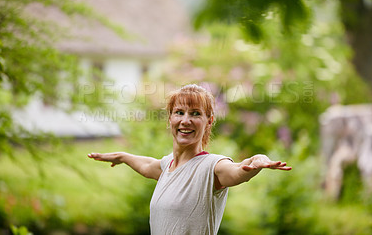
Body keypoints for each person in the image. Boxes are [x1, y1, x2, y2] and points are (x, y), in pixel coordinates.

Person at [88, 84, 291, 234]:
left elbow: (237, 171)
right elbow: (147, 165)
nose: (186, 120)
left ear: (209, 121)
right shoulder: (167, 166)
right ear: (170, 118)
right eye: (179, 112)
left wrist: (256, 162)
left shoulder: (212, 166)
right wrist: (123, 156)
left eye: (195, 113)